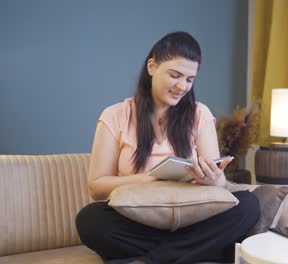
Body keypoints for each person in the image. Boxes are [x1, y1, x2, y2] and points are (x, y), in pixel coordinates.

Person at [75, 31, 260, 264]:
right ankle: (193, 252)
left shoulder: (199, 114)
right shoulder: (115, 116)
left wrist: (214, 179)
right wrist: (149, 179)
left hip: (192, 220)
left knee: (249, 205)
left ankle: (148, 260)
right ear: (152, 67)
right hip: (138, 222)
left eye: (190, 79)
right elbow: (96, 187)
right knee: (90, 220)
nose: (182, 86)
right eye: (175, 75)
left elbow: (220, 186)